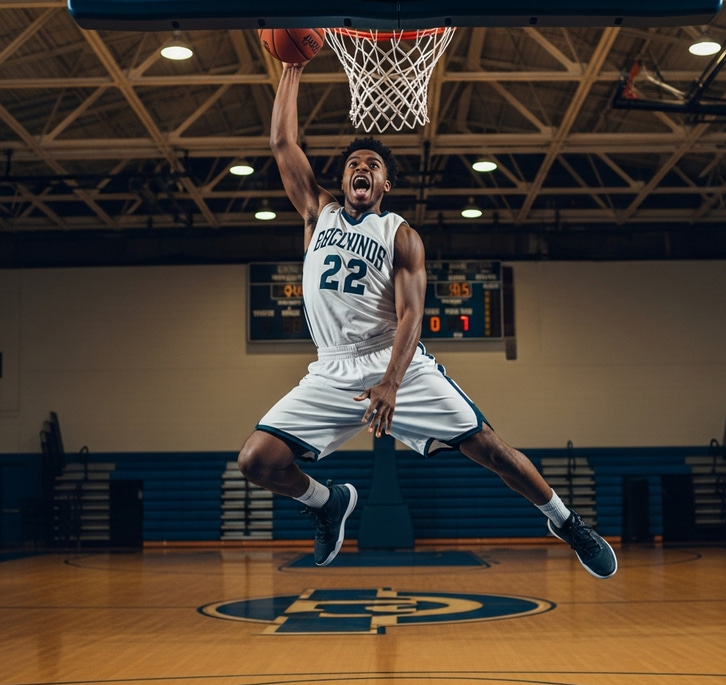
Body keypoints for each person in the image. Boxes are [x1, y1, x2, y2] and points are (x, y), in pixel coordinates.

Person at [237, 62, 617, 579]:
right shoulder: (316, 213)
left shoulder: (401, 234)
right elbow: (283, 144)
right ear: (344, 178)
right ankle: (327, 502)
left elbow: (414, 312)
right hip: (331, 369)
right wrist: (291, 66)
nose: (361, 169)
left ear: (384, 182)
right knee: (256, 460)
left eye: (371, 164)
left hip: (396, 361)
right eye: (353, 164)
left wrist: (391, 382)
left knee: (491, 449)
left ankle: (567, 522)